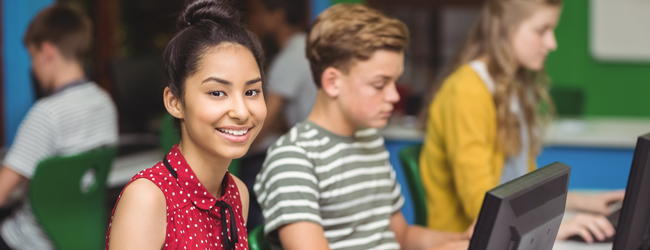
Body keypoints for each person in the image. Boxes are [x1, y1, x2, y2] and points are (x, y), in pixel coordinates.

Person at [255, 4, 471, 250]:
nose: (393, 96)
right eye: (380, 84)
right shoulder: (293, 160)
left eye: (395, 82)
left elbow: (402, 237)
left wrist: (465, 241)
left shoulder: (369, 139)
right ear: (333, 82)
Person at [418, 0, 624, 243]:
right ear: (504, 28)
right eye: (541, 30)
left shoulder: (509, 89)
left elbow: (523, 191)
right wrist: (561, 227)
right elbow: (484, 206)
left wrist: (585, 203)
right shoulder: (466, 91)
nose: (552, 43)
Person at [105, 0, 266, 249]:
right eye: (217, 93)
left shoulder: (237, 194)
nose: (241, 112)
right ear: (175, 102)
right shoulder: (148, 199)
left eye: (252, 92)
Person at [0, 3, 118, 249]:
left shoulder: (46, 114)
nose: (32, 67)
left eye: (32, 57)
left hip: (28, 241)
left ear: (47, 52)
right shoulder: (104, 102)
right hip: (81, 235)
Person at [241, 0, 314, 231]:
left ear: (278, 15)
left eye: (261, 13)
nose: (258, 20)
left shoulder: (290, 58)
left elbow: (262, 124)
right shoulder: (309, 50)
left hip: (306, 157)